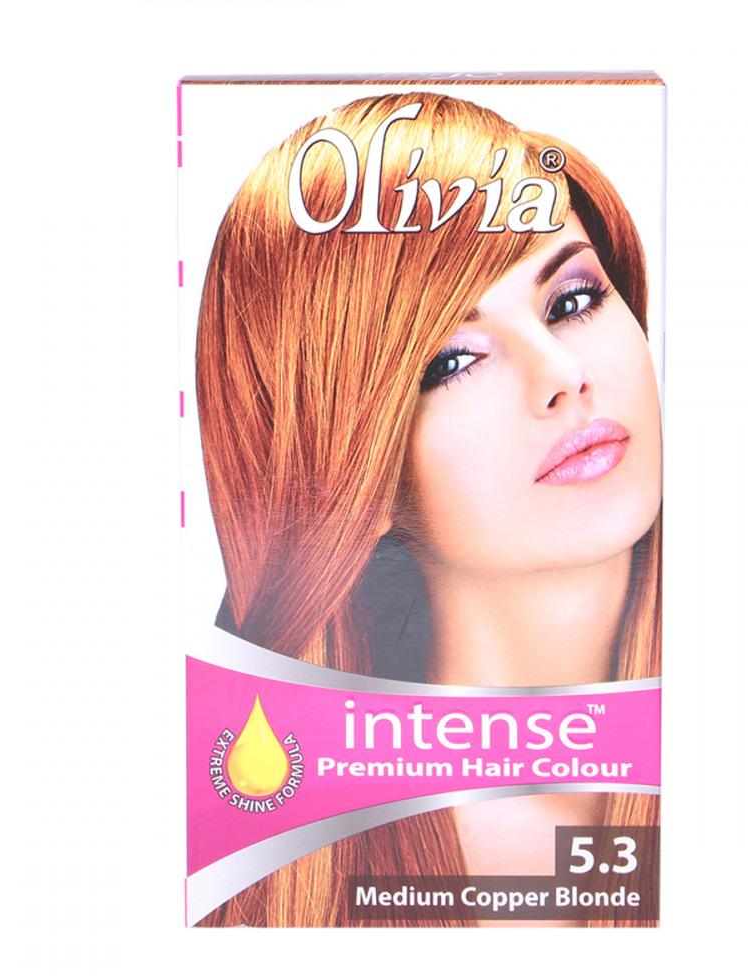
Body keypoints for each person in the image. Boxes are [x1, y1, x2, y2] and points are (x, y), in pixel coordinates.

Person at [195, 91, 662, 926]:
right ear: (349, 473)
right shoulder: (279, 876)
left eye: (571, 302)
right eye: (452, 362)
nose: (562, 375)